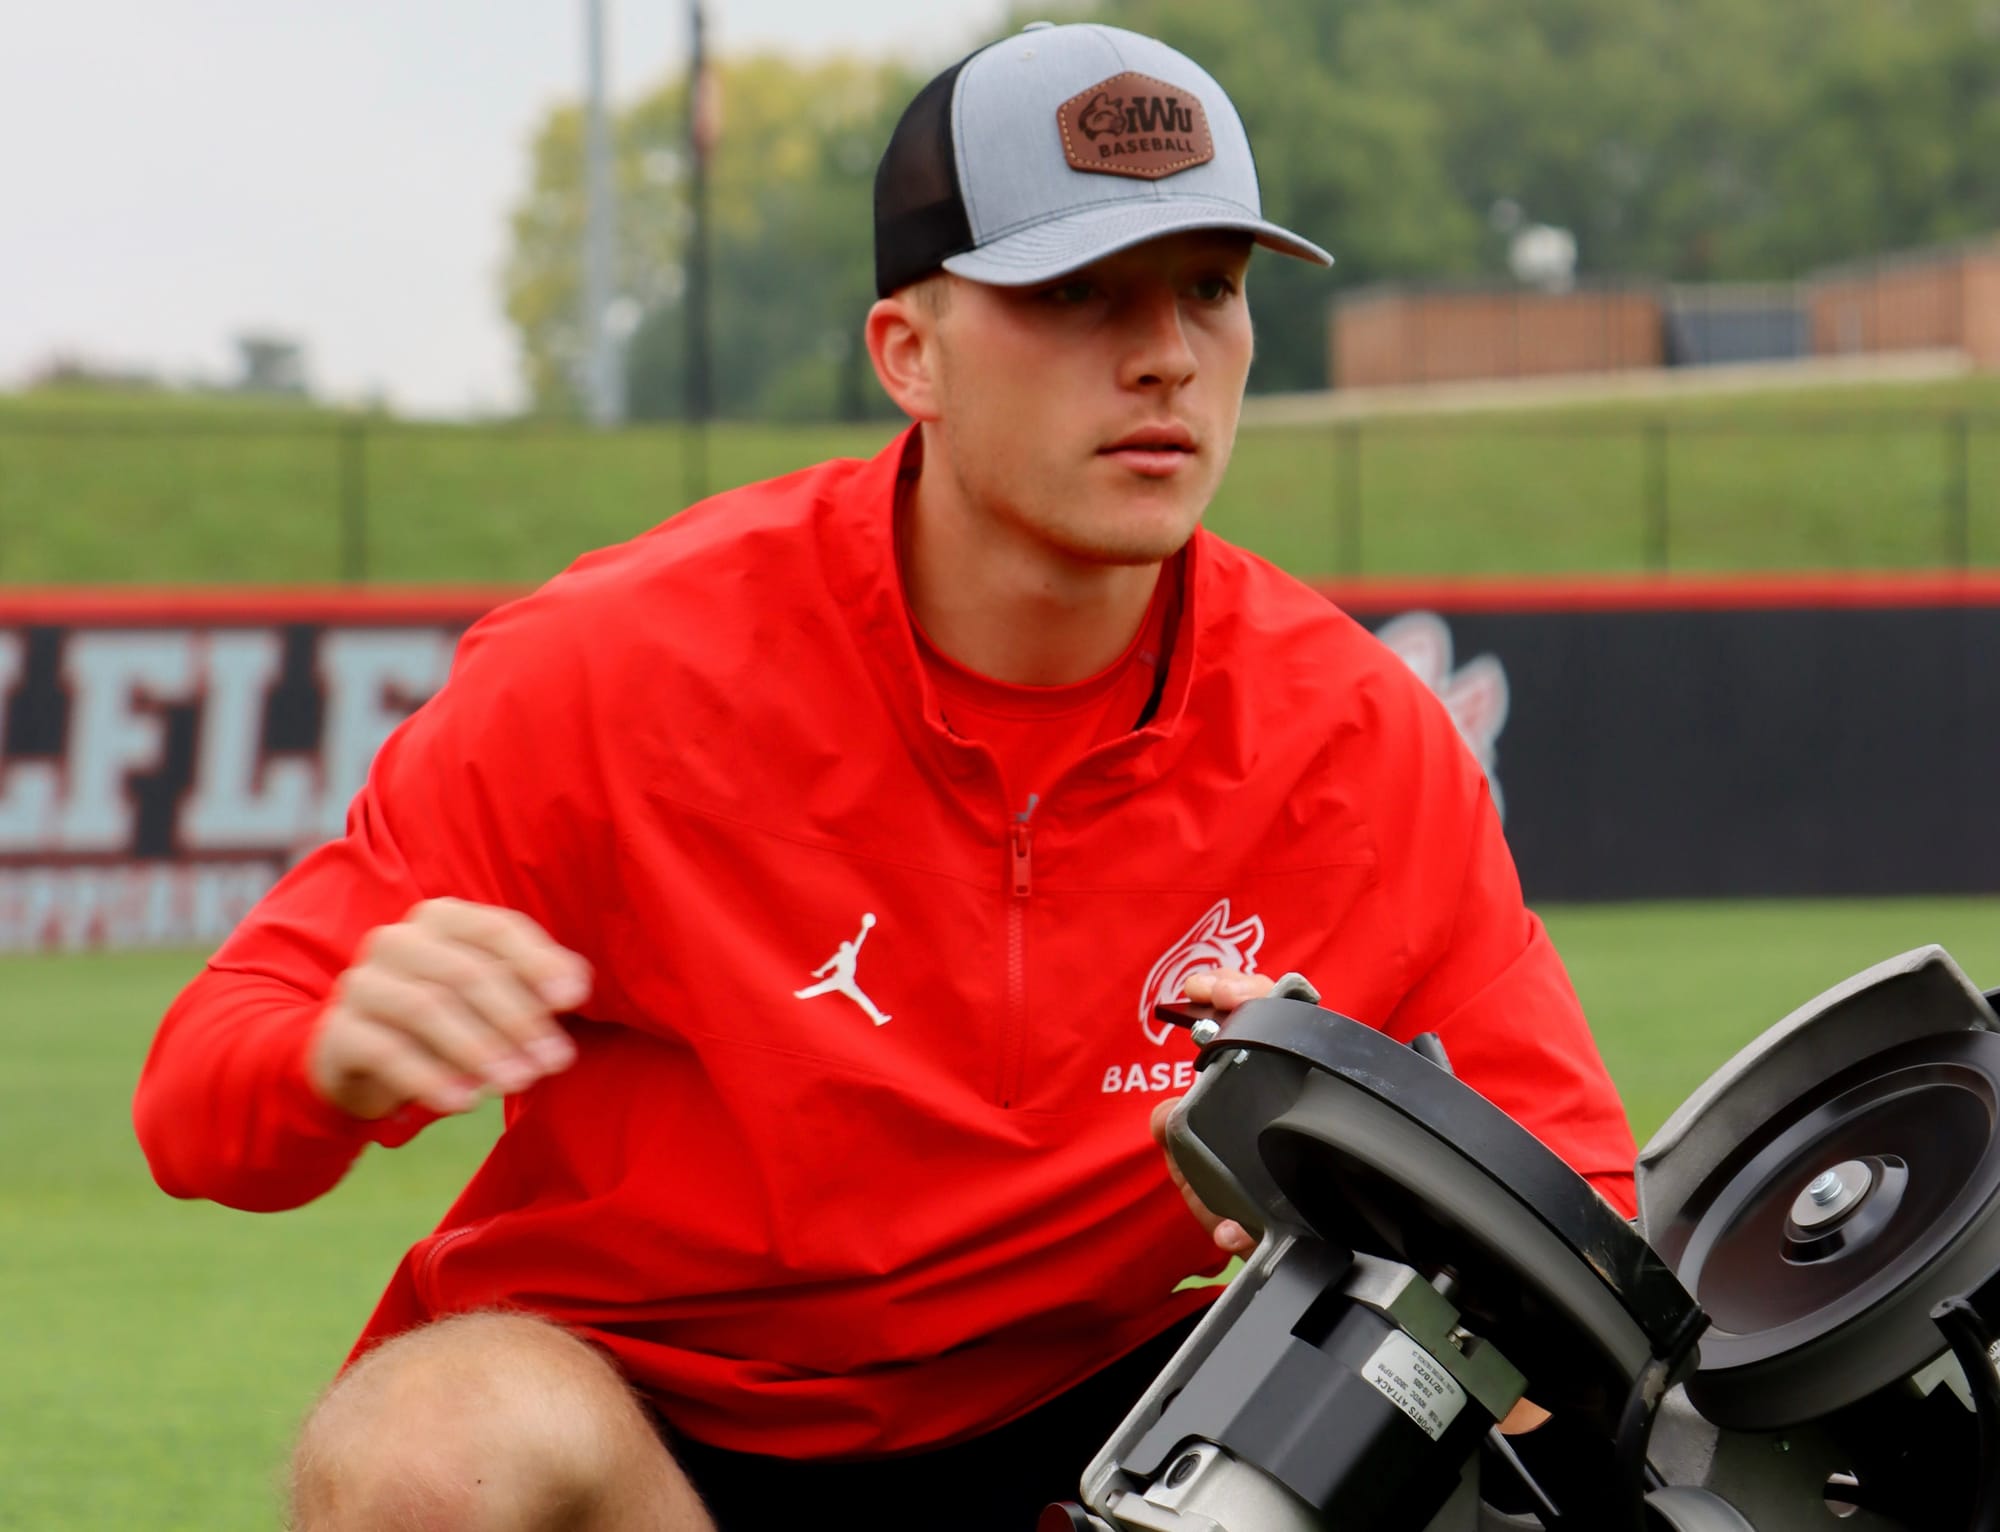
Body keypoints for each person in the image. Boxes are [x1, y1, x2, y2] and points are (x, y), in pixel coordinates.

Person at [134, 21, 1637, 1532]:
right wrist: (326, 1057)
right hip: (679, 1426)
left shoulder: (1358, 734)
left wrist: (1354, 1165)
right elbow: (201, 1110)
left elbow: (1583, 1242)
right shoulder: (612, 668)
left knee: (1432, 1420)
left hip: (1125, 1436)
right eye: (1074, 291)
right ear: (906, 352)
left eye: (1209, 290)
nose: (1165, 353)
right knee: (428, 1442)